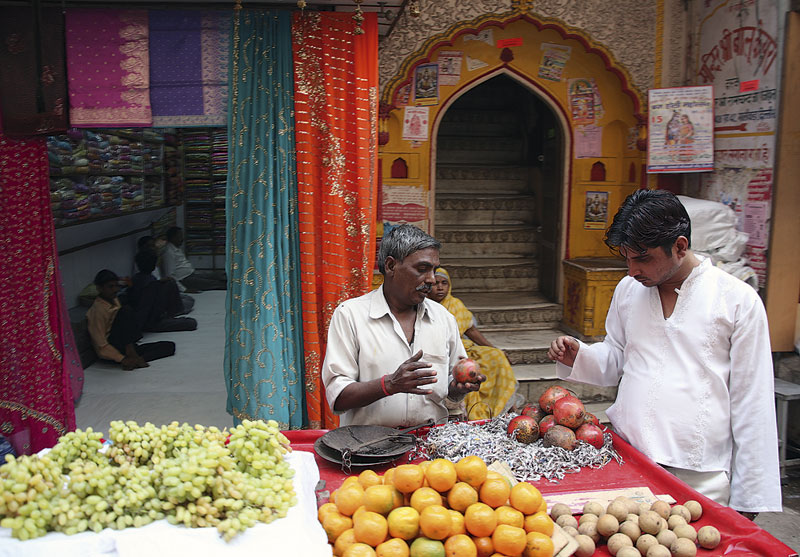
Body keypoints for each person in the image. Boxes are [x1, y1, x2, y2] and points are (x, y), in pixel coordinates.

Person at [548, 190, 781, 518]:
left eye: (642, 259)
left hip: (700, 477)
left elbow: (752, 402)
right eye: (626, 259)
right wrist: (578, 356)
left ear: (680, 246)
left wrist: (749, 499)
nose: (632, 270)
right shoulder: (629, 290)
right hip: (627, 458)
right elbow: (617, 358)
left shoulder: (737, 301)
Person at [321, 224, 486, 427]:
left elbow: (449, 390)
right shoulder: (350, 315)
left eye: (434, 270)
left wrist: (458, 389)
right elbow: (338, 397)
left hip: (429, 444)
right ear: (391, 266)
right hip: (367, 447)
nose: (432, 280)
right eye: (422, 269)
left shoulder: (443, 319)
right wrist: (389, 385)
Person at [427, 267, 518, 420]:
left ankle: (502, 407)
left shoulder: (456, 305)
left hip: (464, 348)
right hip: (440, 351)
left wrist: (495, 348)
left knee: (496, 357)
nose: (440, 287)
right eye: (436, 283)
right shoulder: (423, 306)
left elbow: (472, 332)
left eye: (444, 283)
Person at [86, 269, 176, 370]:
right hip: (113, 348)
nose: (115, 289)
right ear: (99, 288)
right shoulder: (97, 311)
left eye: (116, 286)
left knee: (169, 346)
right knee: (125, 311)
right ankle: (131, 356)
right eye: (110, 287)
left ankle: (136, 360)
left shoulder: (114, 299)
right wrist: (121, 359)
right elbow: (101, 346)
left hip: (125, 344)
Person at [127, 251, 197, 332]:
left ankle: (174, 313)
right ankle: (174, 313)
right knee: (191, 321)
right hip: (152, 321)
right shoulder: (151, 284)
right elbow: (146, 308)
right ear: (154, 265)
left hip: (151, 315)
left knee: (181, 293)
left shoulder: (136, 278)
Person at [162, 226, 226, 292]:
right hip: (184, 279)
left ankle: (231, 277)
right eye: (179, 237)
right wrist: (184, 289)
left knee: (215, 275)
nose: (182, 239)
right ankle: (231, 285)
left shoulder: (176, 248)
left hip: (191, 274)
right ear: (173, 238)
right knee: (212, 283)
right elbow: (170, 275)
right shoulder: (168, 252)